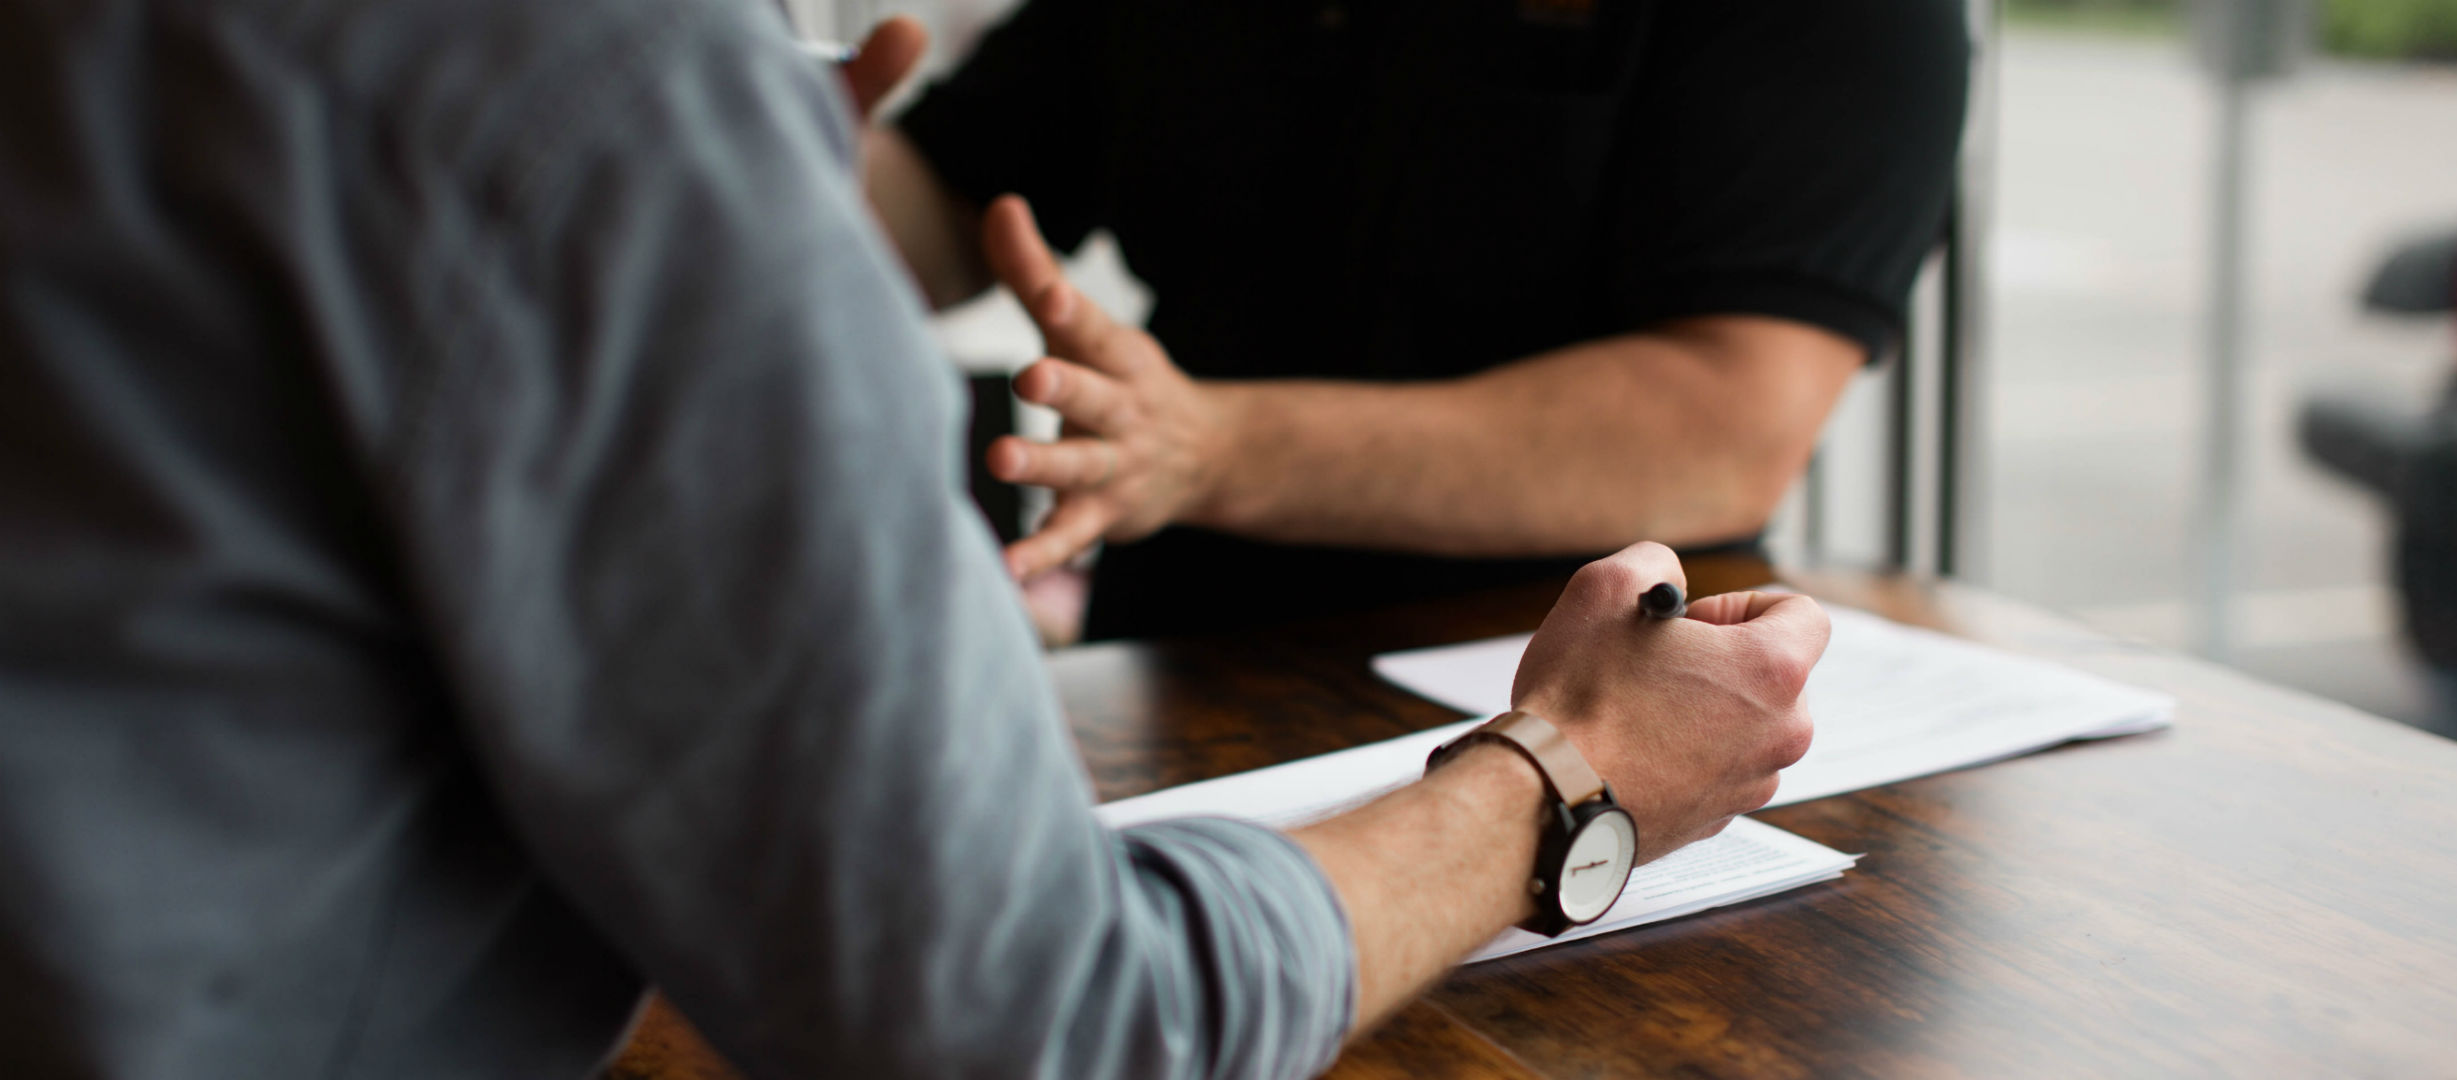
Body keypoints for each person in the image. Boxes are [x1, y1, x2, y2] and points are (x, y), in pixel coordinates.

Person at [0, 2, 1829, 1077]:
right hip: (1221, 748)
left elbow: (1734, 405)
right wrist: (1564, 775)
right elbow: (1032, 1022)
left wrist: (1210, 440)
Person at [864, 0, 1971, 639]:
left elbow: (1725, 426)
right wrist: (752, 173)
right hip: (1185, 655)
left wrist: (1209, 446)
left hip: (1584, 690)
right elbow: (957, 190)